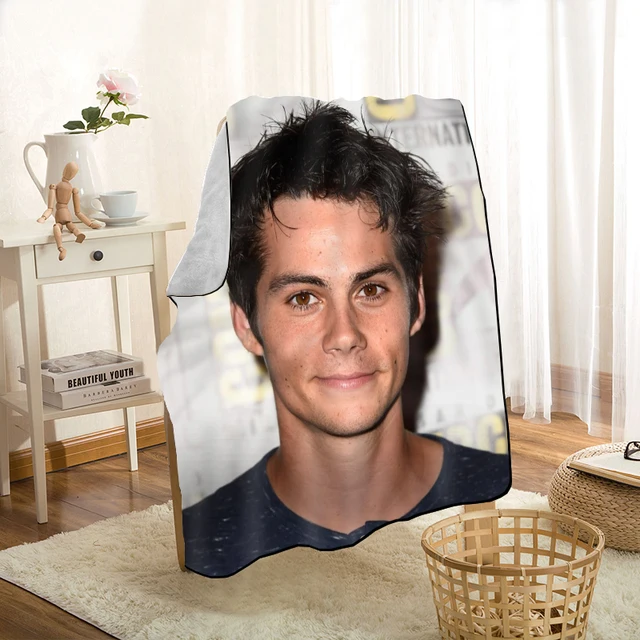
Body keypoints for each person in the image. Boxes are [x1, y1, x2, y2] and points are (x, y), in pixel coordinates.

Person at [182, 100, 511, 578]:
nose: (344, 335)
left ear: (416, 303)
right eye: (303, 298)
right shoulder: (207, 539)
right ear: (247, 325)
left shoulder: (485, 483)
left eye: (371, 290)